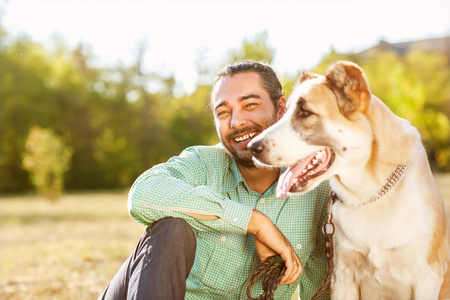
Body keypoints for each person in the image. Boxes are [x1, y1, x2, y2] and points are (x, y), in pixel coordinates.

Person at [99, 60, 330, 300]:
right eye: (223, 112)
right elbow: (142, 195)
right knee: (172, 229)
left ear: (281, 109)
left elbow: (321, 288)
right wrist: (254, 222)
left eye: (250, 105)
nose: (236, 122)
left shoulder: (316, 190)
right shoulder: (203, 165)